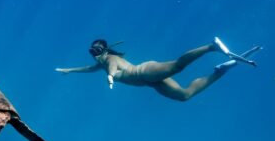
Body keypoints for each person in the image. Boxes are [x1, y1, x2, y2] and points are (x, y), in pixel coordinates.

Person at [55, 37, 260, 101]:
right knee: (184, 95)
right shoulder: (100, 64)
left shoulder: (110, 59)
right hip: (150, 83)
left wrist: (110, 78)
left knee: (178, 66)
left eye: (98, 51)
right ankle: (220, 71)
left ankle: (211, 47)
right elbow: (89, 69)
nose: (96, 55)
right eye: (93, 52)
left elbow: (112, 67)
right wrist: (69, 70)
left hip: (145, 72)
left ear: (105, 50)